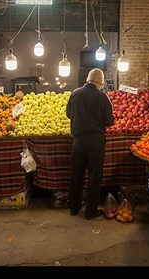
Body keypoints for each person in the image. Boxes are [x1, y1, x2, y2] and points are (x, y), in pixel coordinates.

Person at [66, 68, 115, 219]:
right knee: (94, 175)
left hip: (78, 140)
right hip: (95, 140)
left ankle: (73, 208)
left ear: (88, 79)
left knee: (76, 173)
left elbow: (68, 114)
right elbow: (108, 121)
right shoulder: (102, 97)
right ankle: (90, 211)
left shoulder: (75, 93)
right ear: (100, 82)